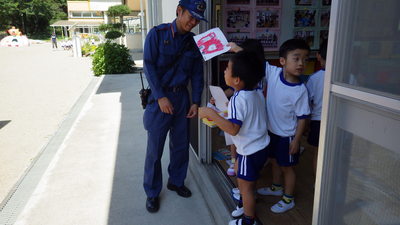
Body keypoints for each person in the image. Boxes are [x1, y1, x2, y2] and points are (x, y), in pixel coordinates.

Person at [142, 0, 207, 213]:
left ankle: (176, 181)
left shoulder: (194, 42)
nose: (194, 22)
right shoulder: (157, 34)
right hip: (160, 100)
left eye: (198, 19)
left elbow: (198, 74)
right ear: (179, 11)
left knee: (181, 145)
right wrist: (160, 97)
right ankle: (152, 192)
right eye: (191, 16)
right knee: (155, 149)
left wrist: (196, 101)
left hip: (182, 99)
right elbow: (148, 66)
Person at [199, 50, 270, 225]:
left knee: (245, 188)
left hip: (249, 150)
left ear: (237, 80)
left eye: (228, 69)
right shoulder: (256, 91)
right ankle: (244, 204)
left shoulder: (239, 98)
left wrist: (210, 113)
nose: (224, 71)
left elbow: (232, 129)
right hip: (261, 147)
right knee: (242, 174)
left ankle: (248, 220)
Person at [257, 39, 311, 213]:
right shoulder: (273, 73)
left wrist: (296, 141)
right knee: (274, 162)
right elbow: (254, 59)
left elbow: (303, 118)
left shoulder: (300, 90)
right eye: (296, 58)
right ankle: (276, 188)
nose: (301, 63)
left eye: (305, 59)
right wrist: (235, 48)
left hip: (288, 137)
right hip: (272, 133)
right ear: (282, 61)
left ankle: (288, 199)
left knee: (287, 168)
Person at [305, 40, 327, 178]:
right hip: (339, 122)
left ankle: (317, 184)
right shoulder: (348, 78)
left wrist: (305, 125)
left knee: (318, 154)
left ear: (318, 56)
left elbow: (307, 103)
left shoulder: (314, 78)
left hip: (318, 121)